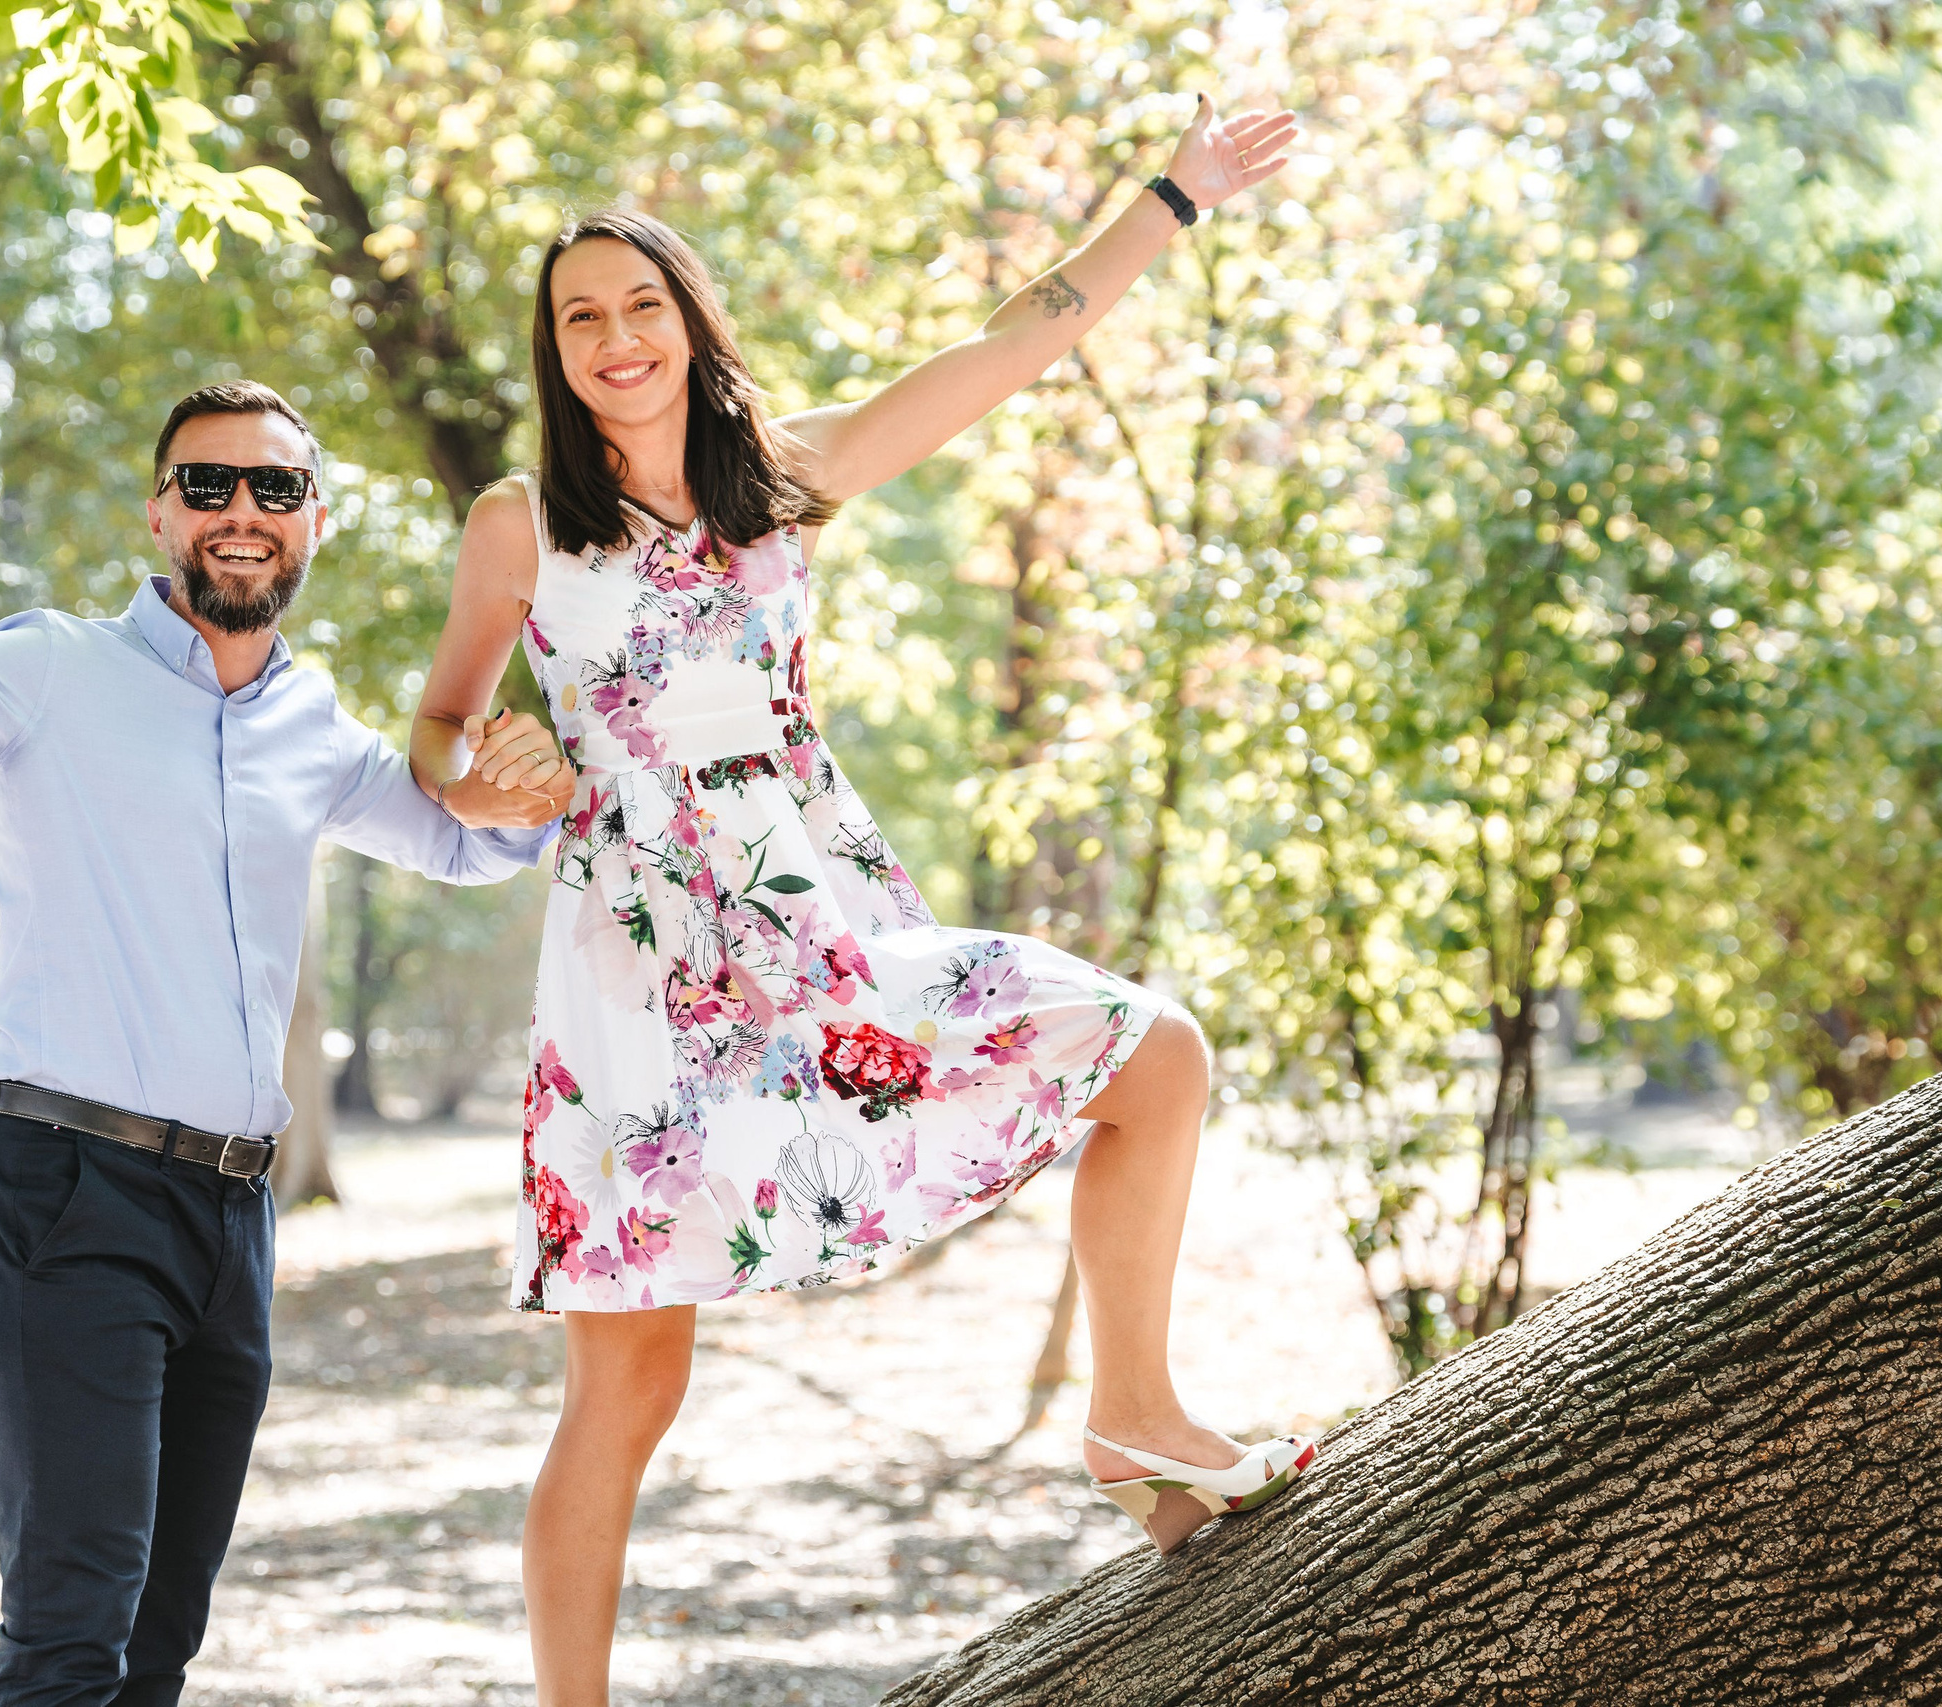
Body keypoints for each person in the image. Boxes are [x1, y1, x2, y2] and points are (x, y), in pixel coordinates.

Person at [413, 94, 1311, 1702]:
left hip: (819, 925)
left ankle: (1135, 1416)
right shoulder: (518, 526)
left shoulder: (786, 475)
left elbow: (1008, 344)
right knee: (626, 1386)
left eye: (641, 305)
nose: (616, 337)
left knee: (1153, 1055)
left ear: (689, 323)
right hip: (636, 975)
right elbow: (440, 725)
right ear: (555, 355)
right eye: (580, 319)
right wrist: (491, 769)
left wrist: (1173, 194)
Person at [0, 381, 575, 1706]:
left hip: (233, 1217)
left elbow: (457, 841)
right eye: (208, 486)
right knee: (72, 1627)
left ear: (315, 521)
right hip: (67, 1189)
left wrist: (533, 781)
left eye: (272, 488)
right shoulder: (49, 669)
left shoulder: (313, 726)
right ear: (160, 514)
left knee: (160, 1637)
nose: (240, 512)